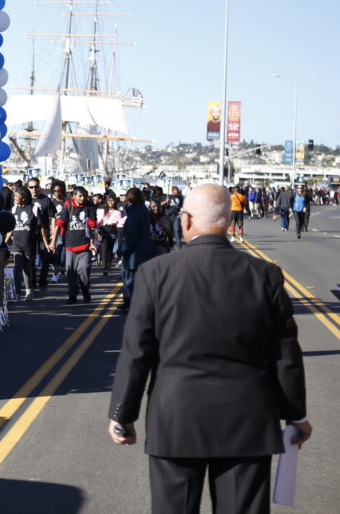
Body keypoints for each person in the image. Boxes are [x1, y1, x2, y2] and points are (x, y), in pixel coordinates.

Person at [108, 183, 311, 514]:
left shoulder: (155, 273)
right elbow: (285, 355)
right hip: (247, 421)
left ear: (186, 220)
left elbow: (136, 352)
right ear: (229, 222)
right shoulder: (265, 275)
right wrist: (296, 415)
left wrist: (122, 414)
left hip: (176, 418)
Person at [56, 186, 97, 305]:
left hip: (85, 245)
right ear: (74, 196)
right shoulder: (68, 207)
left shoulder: (90, 207)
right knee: (71, 272)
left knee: (84, 270)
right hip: (70, 245)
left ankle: (85, 290)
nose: (82, 198)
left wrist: (92, 243)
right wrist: (53, 241)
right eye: (80, 196)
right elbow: (59, 224)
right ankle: (72, 295)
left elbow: (92, 227)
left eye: (84, 196)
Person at [116, 187, 155, 311]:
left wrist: (121, 250)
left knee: (130, 278)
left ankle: (133, 304)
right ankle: (129, 302)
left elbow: (131, 234)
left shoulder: (135, 213)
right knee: (133, 278)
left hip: (135, 251)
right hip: (144, 248)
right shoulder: (142, 210)